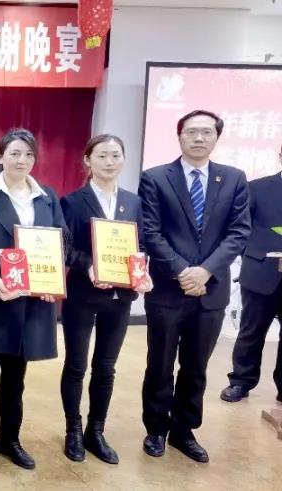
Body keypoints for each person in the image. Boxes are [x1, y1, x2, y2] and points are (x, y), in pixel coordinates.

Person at [138, 109, 250, 463]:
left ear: (217, 137)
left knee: (196, 366)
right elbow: (150, 232)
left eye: (206, 132)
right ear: (179, 135)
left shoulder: (233, 178)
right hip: (167, 290)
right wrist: (184, 271)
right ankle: (156, 429)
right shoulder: (155, 177)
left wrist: (205, 272)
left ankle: (184, 431)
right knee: (160, 364)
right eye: (191, 132)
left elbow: (239, 232)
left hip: (211, 291)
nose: (199, 138)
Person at [0, 128, 66, 471]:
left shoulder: (47, 197)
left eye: (29, 154)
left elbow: (61, 241)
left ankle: (10, 439)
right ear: (0, 156)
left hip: (31, 301)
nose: (22, 160)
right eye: (15, 153)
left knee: (16, 377)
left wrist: (52, 278)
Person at [59, 134, 152, 464]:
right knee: (76, 365)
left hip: (120, 297)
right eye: (101, 156)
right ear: (88, 160)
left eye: (115, 155)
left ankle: (95, 431)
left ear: (123, 159)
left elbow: (141, 245)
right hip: (84, 295)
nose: (109, 162)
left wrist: (141, 271)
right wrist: (89, 265)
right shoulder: (73, 201)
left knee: (106, 367)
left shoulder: (133, 202)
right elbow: (65, 248)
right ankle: (73, 430)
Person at [221, 145, 282, 404]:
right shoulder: (257, 188)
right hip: (261, 270)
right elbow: (239, 228)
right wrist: (258, 252)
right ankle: (241, 381)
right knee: (251, 330)